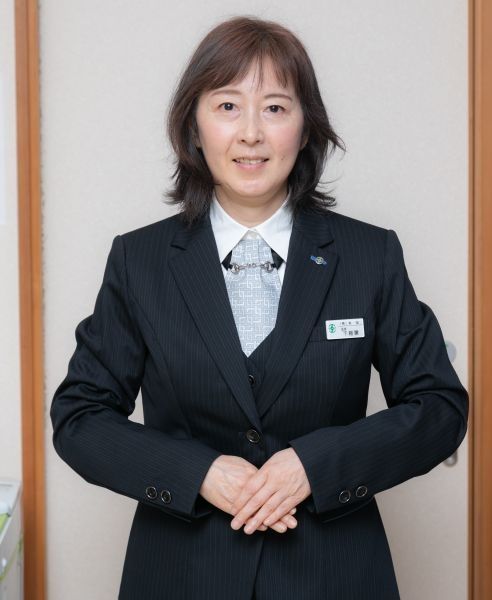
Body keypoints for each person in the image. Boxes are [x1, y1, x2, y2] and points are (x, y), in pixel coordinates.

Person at [50, 15, 469, 600]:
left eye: (275, 108)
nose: (251, 133)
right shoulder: (139, 261)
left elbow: (440, 408)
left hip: (336, 576)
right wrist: (198, 472)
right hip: (180, 576)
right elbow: (79, 417)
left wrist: (315, 466)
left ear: (305, 127)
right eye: (227, 106)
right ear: (194, 126)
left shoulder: (369, 255)